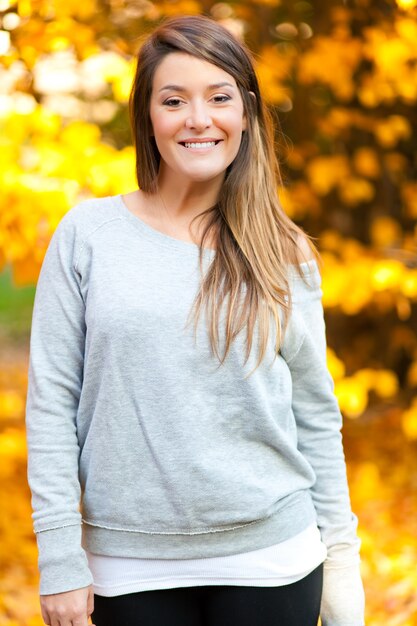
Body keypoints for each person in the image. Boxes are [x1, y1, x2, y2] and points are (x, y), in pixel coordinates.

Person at [25, 13, 365, 626]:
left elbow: (315, 414)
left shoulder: (282, 252)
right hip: (126, 567)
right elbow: (52, 403)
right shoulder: (88, 236)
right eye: (174, 100)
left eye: (219, 97)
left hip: (274, 561)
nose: (198, 119)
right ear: (147, 115)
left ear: (246, 113)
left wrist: (341, 559)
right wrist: (58, 558)